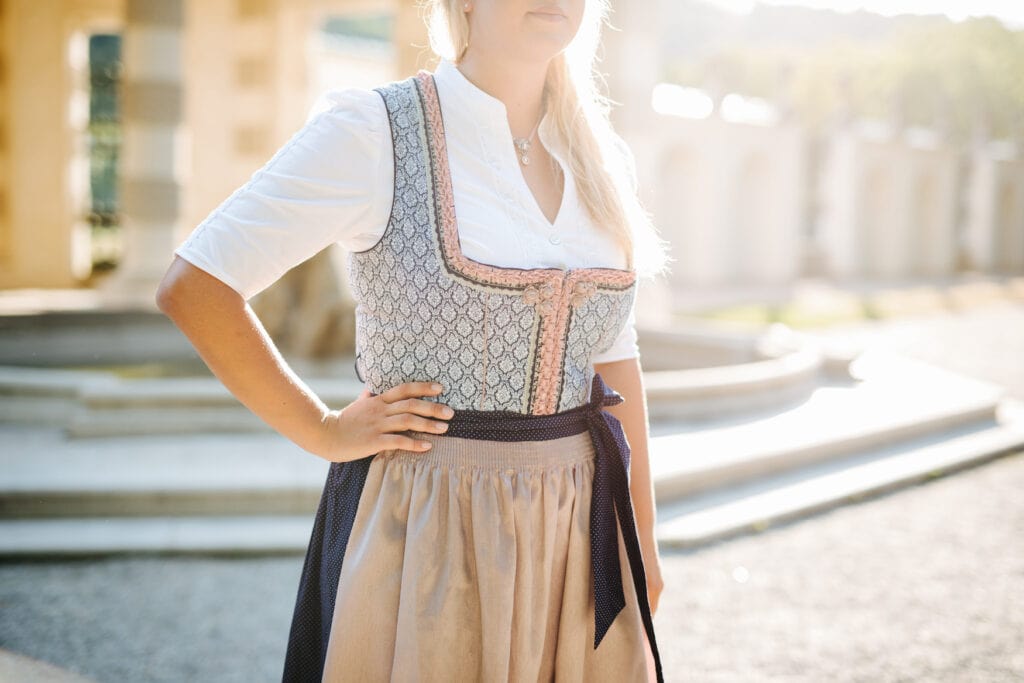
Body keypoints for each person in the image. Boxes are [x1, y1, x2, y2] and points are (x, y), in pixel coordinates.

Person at [156, 0, 672, 680]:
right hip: (432, 525)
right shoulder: (376, 128)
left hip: (579, 531)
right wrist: (323, 428)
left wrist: (643, 539)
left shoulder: (596, 154)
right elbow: (196, 285)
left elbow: (615, 358)